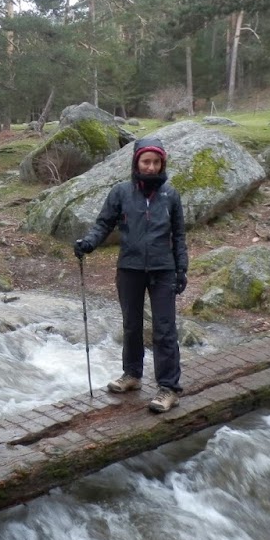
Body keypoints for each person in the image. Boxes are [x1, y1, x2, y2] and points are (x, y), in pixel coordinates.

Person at [73, 137, 188, 413]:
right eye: (145, 161)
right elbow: (103, 224)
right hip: (130, 268)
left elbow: (180, 235)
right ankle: (133, 375)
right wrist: (88, 243)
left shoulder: (170, 196)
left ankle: (169, 388)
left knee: (164, 330)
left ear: (162, 164)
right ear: (136, 162)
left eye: (156, 162)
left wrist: (181, 268)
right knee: (131, 326)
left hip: (163, 270)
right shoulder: (121, 193)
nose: (150, 167)